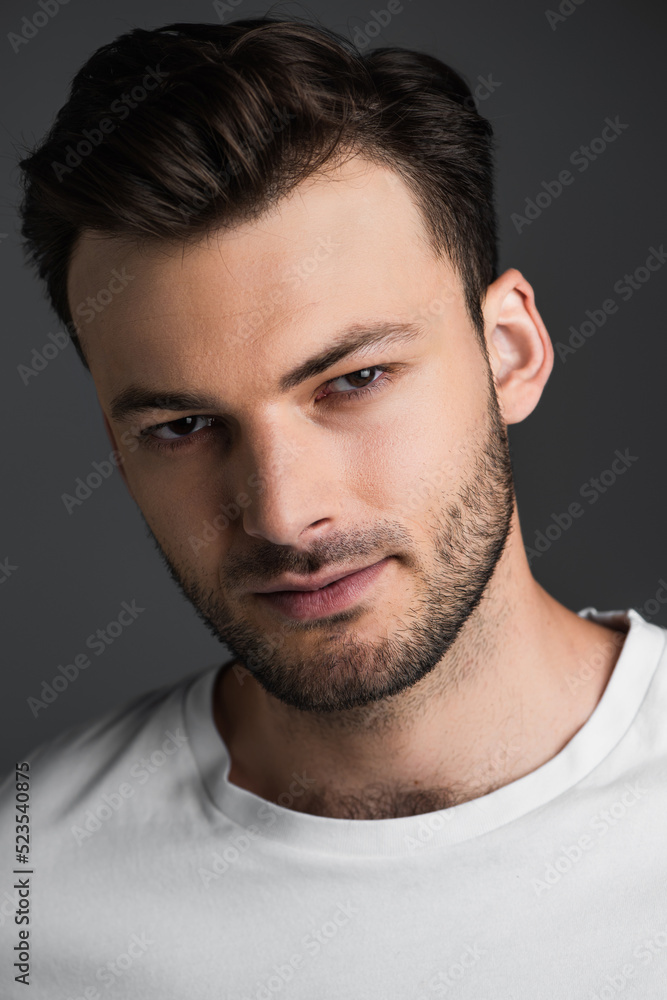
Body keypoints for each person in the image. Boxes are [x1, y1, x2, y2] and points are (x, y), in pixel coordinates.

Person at [2, 17, 666, 999]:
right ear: (117, 446)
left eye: (353, 379)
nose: (282, 513)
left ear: (510, 350)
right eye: (184, 426)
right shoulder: (29, 890)